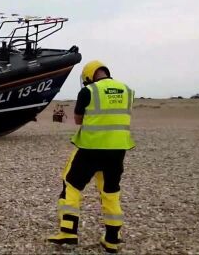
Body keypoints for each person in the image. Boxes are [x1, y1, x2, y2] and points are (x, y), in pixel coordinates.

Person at [47, 60, 135, 253]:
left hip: (90, 148)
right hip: (117, 150)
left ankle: (68, 231)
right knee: (111, 192)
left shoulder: (88, 91)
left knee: (72, 185)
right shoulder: (128, 90)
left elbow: (78, 120)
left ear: (88, 76)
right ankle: (112, 238)